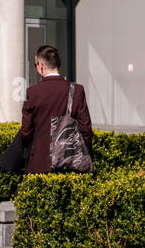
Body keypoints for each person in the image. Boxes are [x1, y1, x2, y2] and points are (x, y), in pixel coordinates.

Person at [19, 44, 92, 174]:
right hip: (70, 163)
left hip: (39, 164)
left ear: (40, 66)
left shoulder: (33, 93)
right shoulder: (77, 90)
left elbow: (26, 132)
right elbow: (85, 128)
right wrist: (82, 154)